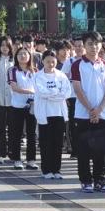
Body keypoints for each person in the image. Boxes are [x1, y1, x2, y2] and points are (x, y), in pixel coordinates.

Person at [71, 31, 105, 194]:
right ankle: (85, 180)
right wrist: (91, 109)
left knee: (101, 150)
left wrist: (99, 109)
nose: (94, 47)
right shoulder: (77, 65)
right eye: (90, 44)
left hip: (103, 113)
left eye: (96, 43)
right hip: (83, 114)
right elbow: (77, 89)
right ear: (84, 45)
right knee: (83, 149)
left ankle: (100, 180)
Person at [32, 51, 70, 180]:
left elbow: (66, 92)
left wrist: (52, 94)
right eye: (48, 61)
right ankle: (46, 170)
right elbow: (41, 92)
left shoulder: (61, 75)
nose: (50, 64)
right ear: (43, 61)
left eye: (53, 61)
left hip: (58, 113)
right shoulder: (37, 76)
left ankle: (56, 169)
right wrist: (56, 93)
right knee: (45, 142)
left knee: (58, 143)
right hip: (44, 113)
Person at [7, 45, 38, 170]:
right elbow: (14, 87)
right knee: (17, 133)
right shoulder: (12, 70)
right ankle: (17, 159)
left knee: (31, 134)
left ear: (30, 56)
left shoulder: (35, 71)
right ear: (16, 57)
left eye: (25, 53)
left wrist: (35, 95)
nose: (23, 56)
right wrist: (30, 92)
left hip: (32, 106)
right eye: (20, 54)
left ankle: (31, 160)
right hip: (17, 106)